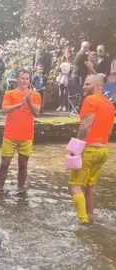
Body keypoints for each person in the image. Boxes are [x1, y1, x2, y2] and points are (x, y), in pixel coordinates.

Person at [66, 75, 114, 224]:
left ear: (98, 86)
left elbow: (86, 124)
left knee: (74, 185)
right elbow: (109, 132)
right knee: (91, 186)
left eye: (87, 84)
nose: (83, 86)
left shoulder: (90, 100)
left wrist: (76, 148)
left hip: (89, 149)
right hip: (103, 150)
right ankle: (91, 215)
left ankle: (83, 220)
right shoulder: (110, 104)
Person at [0, 69, 41, 194]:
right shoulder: (10, 93)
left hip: (26, 136)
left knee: (23, 164)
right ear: (17, 79)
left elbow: (36, 113)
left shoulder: (35, 95)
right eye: (22, 78)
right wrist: (19, 105)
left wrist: (29, 102)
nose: (25, 81)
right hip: (10, 135)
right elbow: (5, 110)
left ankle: (21, 189)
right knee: (5, 163)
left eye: (27, 78)